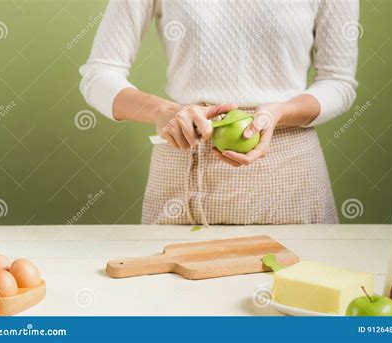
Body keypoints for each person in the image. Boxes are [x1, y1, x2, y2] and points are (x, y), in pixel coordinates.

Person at [80, 0, 359, 225]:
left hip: (291, 179)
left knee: (294, 289)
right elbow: (99, 75)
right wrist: (163, 110)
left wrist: (279, 113)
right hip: (183, 164)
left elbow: (338, 81)